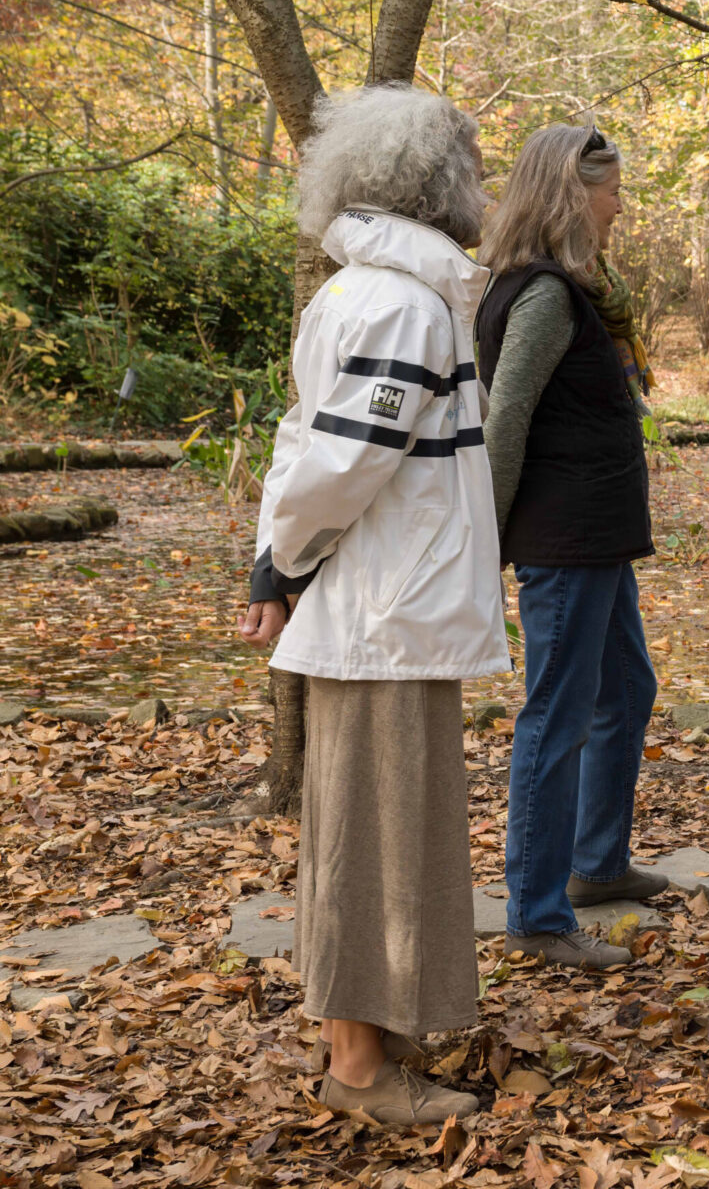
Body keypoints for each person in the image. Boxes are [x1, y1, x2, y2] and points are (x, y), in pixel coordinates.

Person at [239, 83, 505, 1124]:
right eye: (471, 168)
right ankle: (355, 1067)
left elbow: (303, 439)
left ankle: (378, 1033)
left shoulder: (381, 292)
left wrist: (275, 563)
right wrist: (284, 563)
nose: (482, 186)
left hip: (394, 609)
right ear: (433, 182)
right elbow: (341, 461)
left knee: (393, 827)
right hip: (384, 613)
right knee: (369, 832)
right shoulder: (398, 302)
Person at [474, 125, 666, 971]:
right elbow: (505, 418)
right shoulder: (545, 295)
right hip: (566, 539)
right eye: (611, 190)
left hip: (599, 536)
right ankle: (537, 914)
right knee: (555, 717)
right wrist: (484, 546)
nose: (619, 205)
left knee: (625, 689)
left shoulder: (573, 288)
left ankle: (597, 865)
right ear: (571, 194)